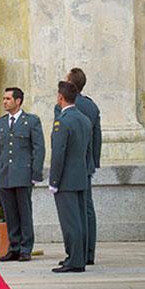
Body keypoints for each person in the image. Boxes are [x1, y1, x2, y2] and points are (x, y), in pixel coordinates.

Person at [0, 87, 45, 262]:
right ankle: (13, 247)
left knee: (24, 212)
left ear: (18, 101)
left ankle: (25, 248)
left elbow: (38, 148)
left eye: (8, 99)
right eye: (4, 98)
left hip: (23, 174)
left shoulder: (31, 121)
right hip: (4, 175)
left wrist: (36, 173)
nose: (5, 102)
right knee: (10, 213)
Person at [49, 80, 92, 273]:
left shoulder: (63, 121)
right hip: (81, 176)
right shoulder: (83, 119)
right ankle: (77, 256)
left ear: (60, 97)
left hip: (66, 179)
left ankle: (74, 261)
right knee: (80, 220)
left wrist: (54, 181)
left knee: (70, 222)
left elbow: (58, 154)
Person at [66, 67, 101, 266]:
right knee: (88, 208)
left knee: (72, 211)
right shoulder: (92, 106)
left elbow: (61, 139)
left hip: (70, 167)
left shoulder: (65, 105)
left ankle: (75, 252)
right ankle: (89, 252)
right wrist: (94, 162)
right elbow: (97, 138)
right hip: (86, 165)